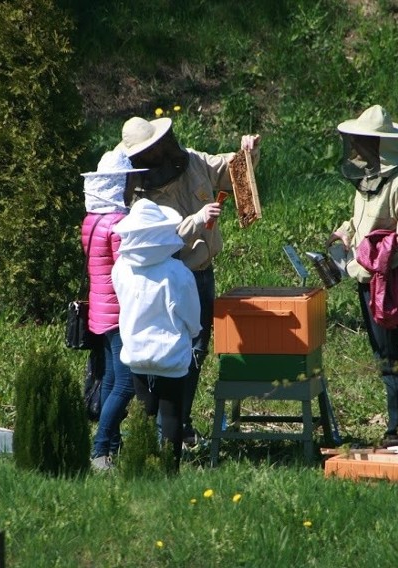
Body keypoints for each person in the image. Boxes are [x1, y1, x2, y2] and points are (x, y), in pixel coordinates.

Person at [119, 115, 260, 446]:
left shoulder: (193, 160)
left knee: (195, 351)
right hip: (166, 277)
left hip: (200, 271)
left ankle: (178, 423)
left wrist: (247, 153)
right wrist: (196, 221)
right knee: (165, 353)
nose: (159, 153)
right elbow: (160, 238)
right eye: (150, 151)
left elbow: (229, 170)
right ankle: (158, 428)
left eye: (160, 145)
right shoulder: (140, 195)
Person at [325, 105, 398, 440]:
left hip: (388, 282)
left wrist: (375, 262)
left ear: (381, 145)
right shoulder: (367, 180)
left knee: (390, 353)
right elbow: (362, 224)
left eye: (363, 142)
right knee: (384, 353)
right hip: (367, 279)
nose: (357, 148)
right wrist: (345, 234)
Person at [111, 198, 202, 471]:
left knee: (145, 412)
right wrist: (194, 332)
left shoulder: (121, 268)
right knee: (171, 413)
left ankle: (142, 463)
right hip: (170, 354)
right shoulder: (177, 272)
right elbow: (191, 315)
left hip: (136, 351)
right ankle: (168, 471)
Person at [80, 149, 147, 472]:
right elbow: (127, 268)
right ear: (118, 184)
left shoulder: (91, 221)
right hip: (119, 313)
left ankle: (111, 447)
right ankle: (99, 449)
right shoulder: (118, 224)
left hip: (99, 312)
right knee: (124, 384)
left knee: (108, 380)